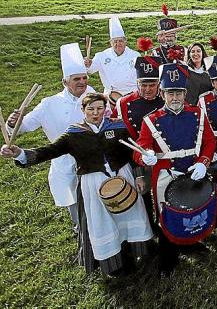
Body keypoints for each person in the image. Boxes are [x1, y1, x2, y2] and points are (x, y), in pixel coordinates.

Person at [1, 93, 154, 276]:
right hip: (93, 184)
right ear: (83, 110)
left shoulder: (118, 126)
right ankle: (114, 264)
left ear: (105, 109)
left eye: (99, 108)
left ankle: (138, 253)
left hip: (123, 177)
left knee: (130, 216)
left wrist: (138, 176)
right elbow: (49, 151)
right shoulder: (74, 134)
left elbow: (133, 152)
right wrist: (20, 154)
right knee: (102, 222)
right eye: (90, 109)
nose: (95, 113)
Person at [134, 61, 216, 278]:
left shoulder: (198, 114)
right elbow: (140, 146)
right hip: (166, 175)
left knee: (193, 209)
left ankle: (191, 242)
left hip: (192, 171)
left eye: (178, 92)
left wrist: (203, 161)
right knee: (167, 217)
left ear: (185, 92)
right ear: (162, 93)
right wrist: (145, 155)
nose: (175, 98)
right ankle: (168, 258)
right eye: (170, 93)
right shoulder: (151, 120)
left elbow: (209, 142)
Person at [5, 43, 97, 235]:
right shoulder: (49, 104)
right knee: (75, 205)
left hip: (93, 160)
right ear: (65, 82)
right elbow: (23, 127)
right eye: (76, 79)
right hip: (64, 161)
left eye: (84, 78)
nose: (82, 82)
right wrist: (13, 123)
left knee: (97, 204)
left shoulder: (95, 97)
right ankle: (80, 231)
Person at [111, 56, 165, 220]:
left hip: (163, 157)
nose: (148, 89)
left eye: (152, 85)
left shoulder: (167, 99)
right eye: (144, 85)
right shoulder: (124, 103)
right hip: (135, 158)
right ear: (137, 83)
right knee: (142, 199)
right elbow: (116, 130)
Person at [84, 16, 140, 102]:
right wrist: (88, 64)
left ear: (125, 41)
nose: (118, 44)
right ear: (111, 43)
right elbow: (90, 70)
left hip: (132, 94)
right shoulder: (102, 56)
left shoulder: (135, 55)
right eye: (115, 41)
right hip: (110, 95)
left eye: (120, 41)